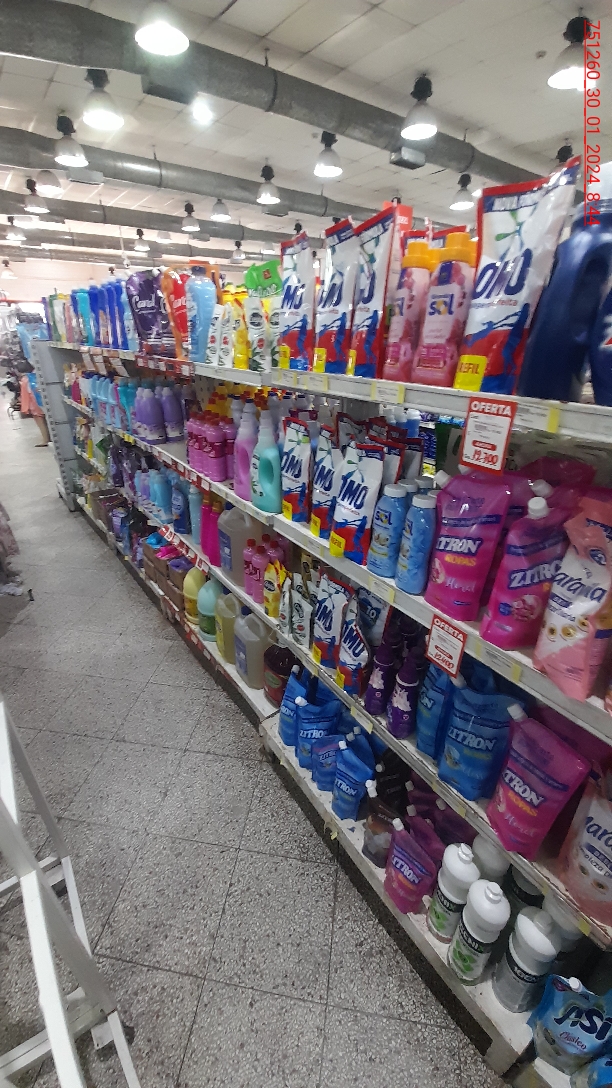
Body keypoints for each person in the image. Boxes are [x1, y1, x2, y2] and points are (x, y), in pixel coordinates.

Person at [19, 369, 50, 446]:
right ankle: (48, 438)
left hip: (35, 401)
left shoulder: (26, 379)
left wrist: (26, 406)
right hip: (44, 398)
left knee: (38, 418)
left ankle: (45, 439)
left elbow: (27, 394)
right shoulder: (41, 372)